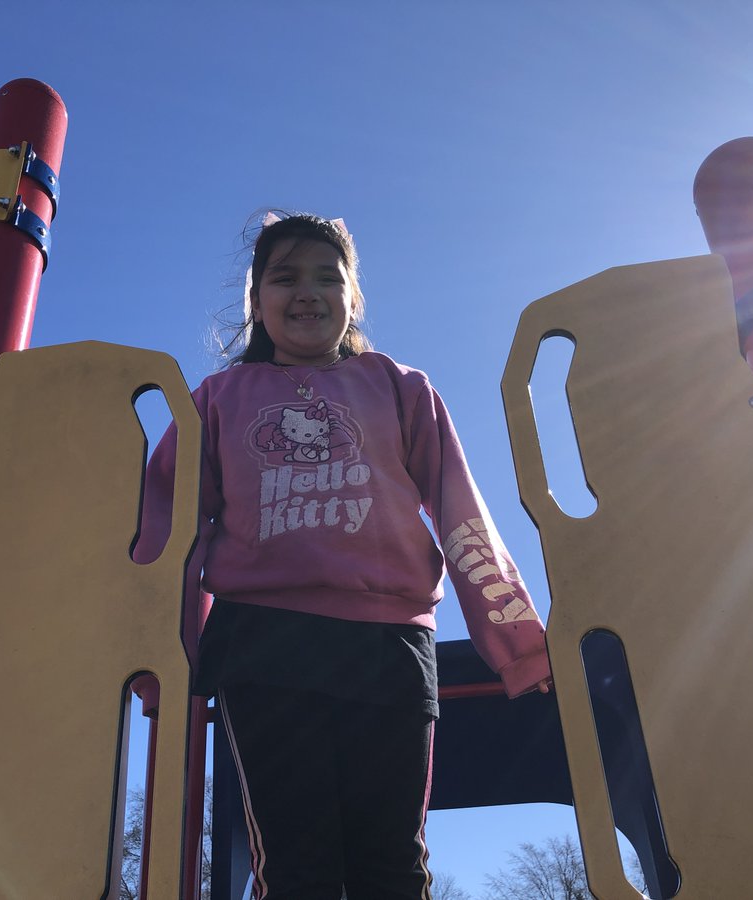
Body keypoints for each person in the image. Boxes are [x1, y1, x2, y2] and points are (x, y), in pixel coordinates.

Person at [135, 212, 550, 899]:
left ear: (353, 299)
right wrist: (157, 656)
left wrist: (515, 638)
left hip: (387, 642)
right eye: (284, 277)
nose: (307, 292)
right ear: (256, 302)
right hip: (265, 642)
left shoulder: (400, 388)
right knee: (299, 867)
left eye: (328, 277)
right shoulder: (215, 402)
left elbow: (460, 511)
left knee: (391, 861)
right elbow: (166, 530)